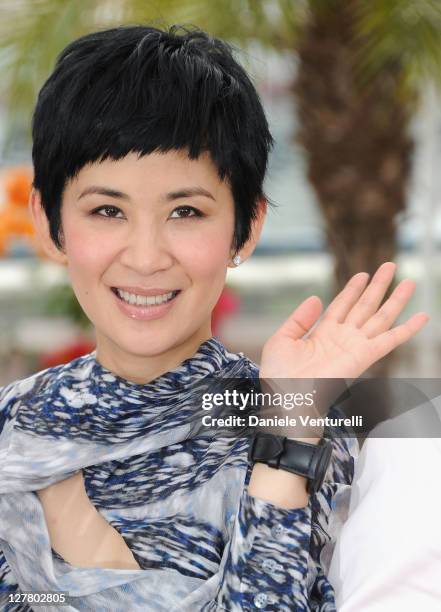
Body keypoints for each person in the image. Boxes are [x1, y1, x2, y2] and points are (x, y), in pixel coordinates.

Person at [0, 24, 428, 612]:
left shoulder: (302, 422)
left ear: (245, 228)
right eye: (106, 210)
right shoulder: (14, 425)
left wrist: (286, 433)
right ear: (49, 224)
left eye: (185, 210)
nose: (146, 256)